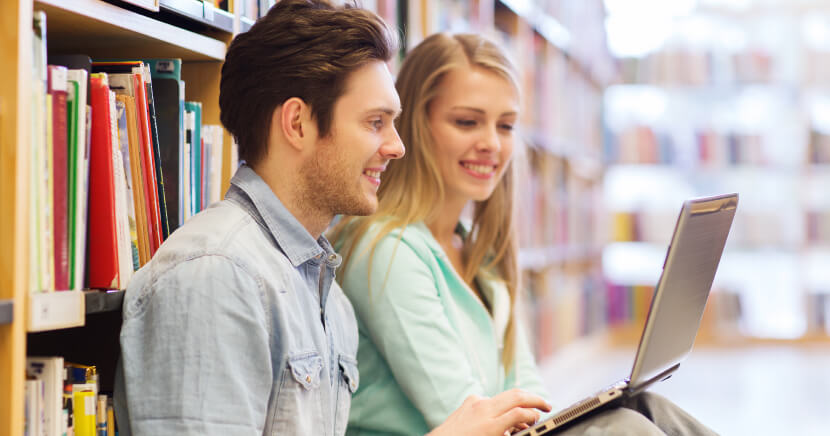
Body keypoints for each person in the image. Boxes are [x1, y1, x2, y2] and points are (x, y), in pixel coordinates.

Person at [113, 1, 549, 436]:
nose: (398, 147)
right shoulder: (214, 276)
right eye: (375, 122)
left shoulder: (326, 296)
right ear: (298, 123)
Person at [330, 33, 719, 436]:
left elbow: (530, 397)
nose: (491, 144)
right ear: (413, 125)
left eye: (506, 125)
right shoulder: (384, 251)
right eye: (467, 122)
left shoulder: (477, 250)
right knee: (626, 429)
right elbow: (464, 414)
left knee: (647, 407)